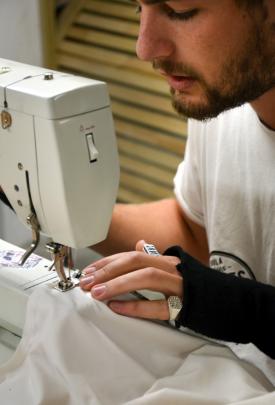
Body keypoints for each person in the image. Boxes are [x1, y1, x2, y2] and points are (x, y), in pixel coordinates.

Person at [78, 0, 275, 361]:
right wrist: (65, 210)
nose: (145, 47)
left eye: (179, 12)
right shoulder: (222, 106)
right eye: (140, 11)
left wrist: (222, 302)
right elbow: (198, 233)